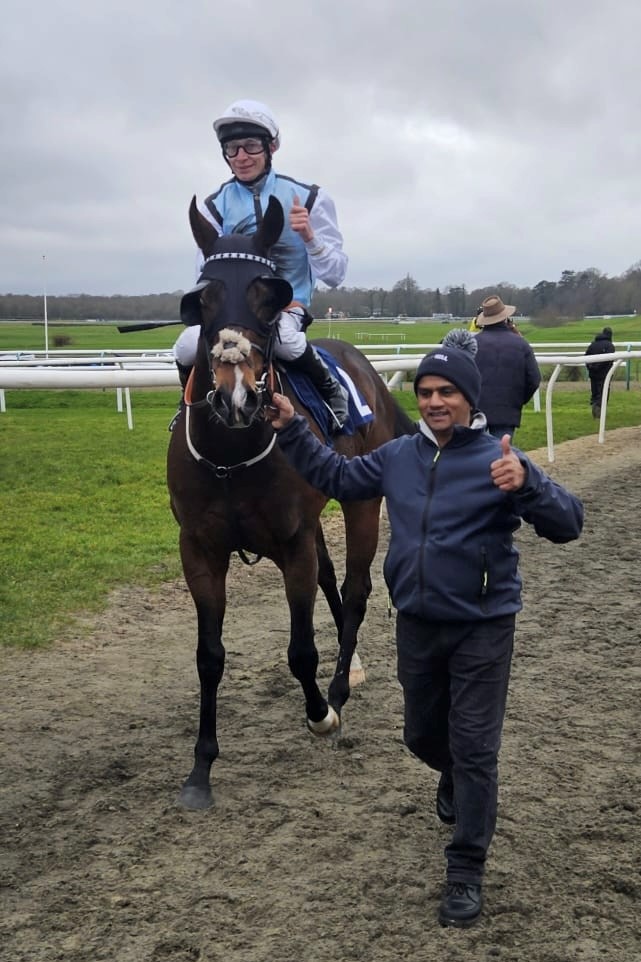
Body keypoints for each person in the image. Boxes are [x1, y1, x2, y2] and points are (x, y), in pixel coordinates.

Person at [267, 340, 583, 928]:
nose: (436, 402)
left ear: (469, 399)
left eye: (448, 393)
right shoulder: (398, 457)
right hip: (415, 620)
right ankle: (454, 776)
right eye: (427, 393)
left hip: (483, 626)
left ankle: (465, 868)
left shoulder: (501, 459)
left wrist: (529, 485)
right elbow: (335, 475)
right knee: (421, 737)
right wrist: (290, 429)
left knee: (475, 747)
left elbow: (569, 523)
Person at [173, 98, 349, 431]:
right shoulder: (214, 205)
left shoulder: (310, 198)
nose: (241, 157)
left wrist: (310, 236)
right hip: (233, 315)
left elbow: (337, 275)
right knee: (184, 347)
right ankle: (187, 408)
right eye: (232, 149)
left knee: (286, 340)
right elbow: (205, 276)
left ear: (271, 147)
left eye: (250, 146)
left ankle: (332, 391)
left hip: (287, 307)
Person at [473, 295, 541, 439]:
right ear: (506, 318)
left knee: (476, 455)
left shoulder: (472, 344)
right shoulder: (521, 344)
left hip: (476, 410)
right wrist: (517, 400)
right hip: (507, 410)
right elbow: (534, 379)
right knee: (502, 455)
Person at [585, 326, 615, 418]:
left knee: (595, 392)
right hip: (604, 374)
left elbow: (586, 357)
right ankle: (599, 408)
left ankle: (595, 405)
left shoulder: (593, 344)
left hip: (593, 373)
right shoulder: (610, 345)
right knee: (604, 392)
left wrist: (591, 368)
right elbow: (609, 360)